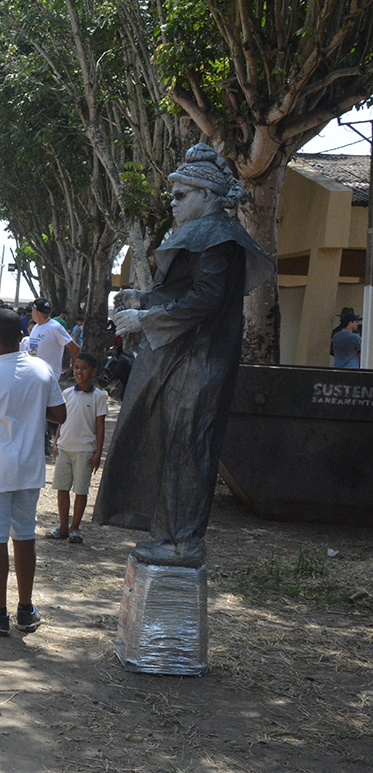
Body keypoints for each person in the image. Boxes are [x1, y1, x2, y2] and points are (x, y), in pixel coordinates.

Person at [97, 144, 272, 567]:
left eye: (181, 195)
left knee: (187, 448)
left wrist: (145, 319)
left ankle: (182, 541)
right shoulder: (204, 236)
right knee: (171, 443)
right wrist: (142, 298)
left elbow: (206, 299)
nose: (172, 204)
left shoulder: (218, 237)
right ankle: (169, 534)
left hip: (201, 361)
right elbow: (185, 291)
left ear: (208, 197)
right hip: (185, 358)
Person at [0, 308, 65, 636]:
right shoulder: (42, 369)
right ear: (22, 335)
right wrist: (33, 408)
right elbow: (59, 414)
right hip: (30, 467)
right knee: (24, 535)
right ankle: (25, 609)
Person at [47, 353, 107, 544]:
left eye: (84, 368)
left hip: (85, 450)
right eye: (76, 368)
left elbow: (100, 427)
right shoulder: (66, 394)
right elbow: (61, 421)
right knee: (62, 488)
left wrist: (98, 452)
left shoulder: (99, 397)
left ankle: (75, 528)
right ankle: (63, 526)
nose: (79, 372)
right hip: (65, 447)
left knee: (81, 490)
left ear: (93, 371)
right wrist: (56, 442)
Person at [26, 298, 79, 378]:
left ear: (35, 311)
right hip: (34, 375)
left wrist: (74, 366)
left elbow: (75, 348)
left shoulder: (55, 328)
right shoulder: (36, 327)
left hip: (49, 377)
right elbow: (34, 349)